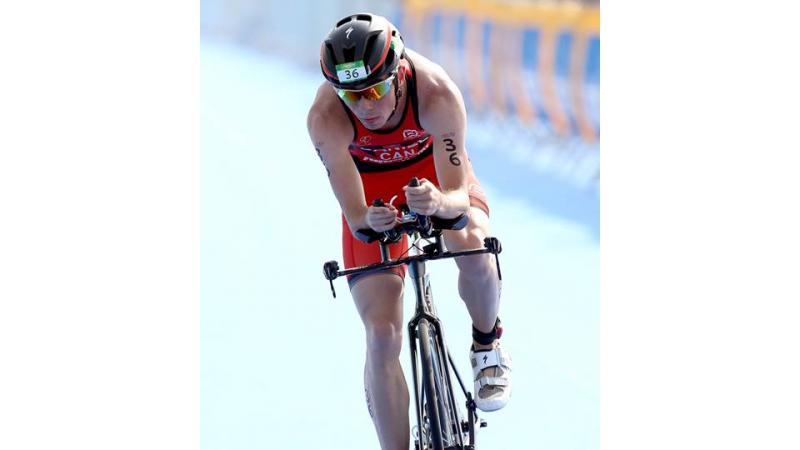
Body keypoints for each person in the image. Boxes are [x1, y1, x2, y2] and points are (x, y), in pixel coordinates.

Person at [306, 13, 512, 450]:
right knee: (381, 335)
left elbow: (456, 193)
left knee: (474, 245)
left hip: (433, 175)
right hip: (371, 190)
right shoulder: (326, 117)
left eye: (376, 90)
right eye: (352, 95)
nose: (366, 106)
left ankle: (486, 345)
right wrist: (367, 221)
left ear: (399, 72)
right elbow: (354, 211)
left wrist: (439, 203)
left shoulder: (436, 94)